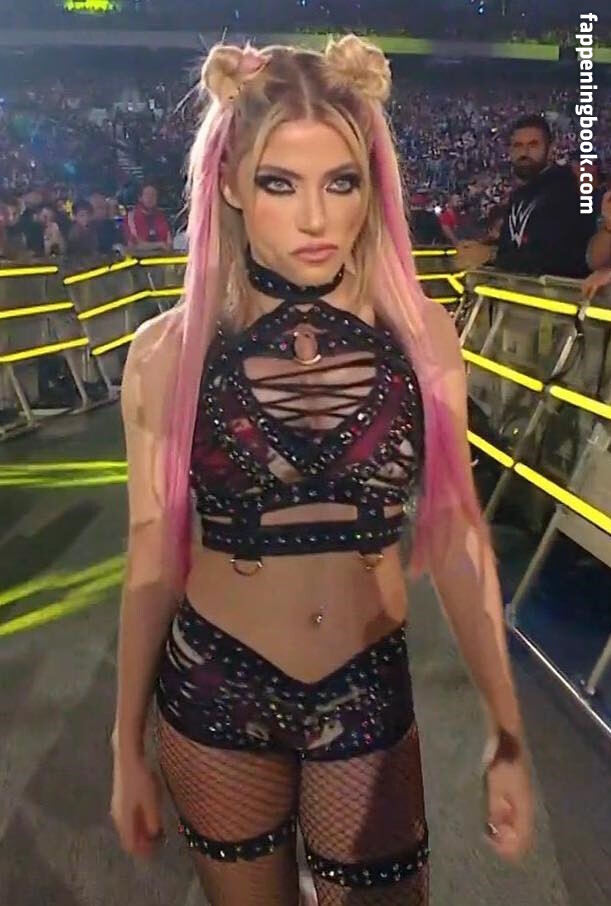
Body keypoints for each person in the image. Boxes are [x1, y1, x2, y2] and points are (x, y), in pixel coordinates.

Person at [110, 37, 534, 906]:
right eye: (280, 183)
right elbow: (151, 554)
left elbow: (458, 535)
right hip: (215, 686)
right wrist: (124, 745)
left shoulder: (419, 335)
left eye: (341, 182)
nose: (315, 218)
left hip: (366, 685)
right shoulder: (166, 351)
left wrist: (507, 728)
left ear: (371, 186)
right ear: (230, 186)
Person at [494, 114, 596, 278]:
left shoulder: (568, 187)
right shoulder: (517, 197)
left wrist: (492, 257)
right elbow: (510, 247)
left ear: (550, 149)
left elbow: (556, 257)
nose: (524, 153)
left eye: (533, 145)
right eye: (518, 146)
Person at [123, 182, 172, 250]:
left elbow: (168, 243)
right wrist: (159, 245)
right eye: (147, 195)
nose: (150, 198)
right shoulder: (131, 217)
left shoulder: (162, 217)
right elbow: (133, 245)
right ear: (140, 198)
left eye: (153, 195)